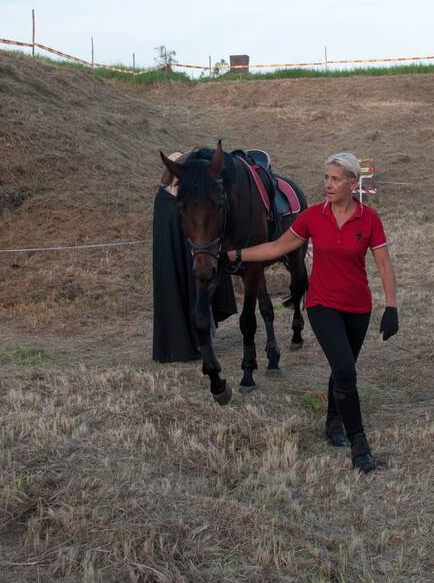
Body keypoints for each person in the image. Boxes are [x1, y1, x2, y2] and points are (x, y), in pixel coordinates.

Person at [226, 152, 397, 473]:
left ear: (352, 182)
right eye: (326, 178)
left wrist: (391, 307)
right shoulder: (312, 216)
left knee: (342, 367)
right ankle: (358, 443)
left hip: (358, 306)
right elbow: (276, 248)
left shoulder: (370, 219)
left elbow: (384, 265)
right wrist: (235, 253)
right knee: (346, 369)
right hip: (322, 305)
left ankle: (333, 423)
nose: (328, 184)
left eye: (335, 179)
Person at [152, 151, 236, 363]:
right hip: (179, 259)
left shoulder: (189, 197)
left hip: (196, 255)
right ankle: (182, 342)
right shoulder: (166, 199)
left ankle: (199, 337)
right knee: (178, 290)